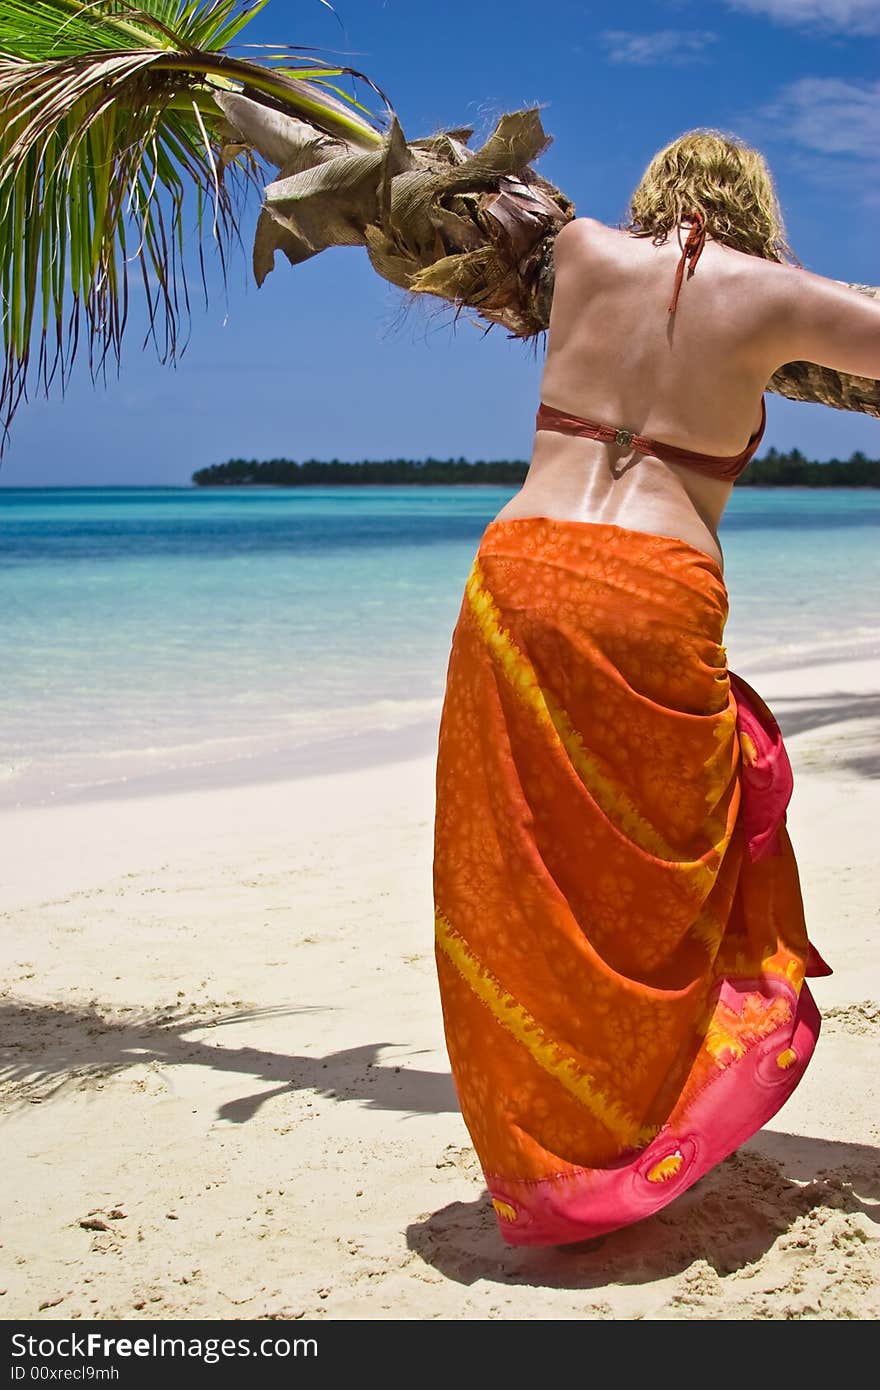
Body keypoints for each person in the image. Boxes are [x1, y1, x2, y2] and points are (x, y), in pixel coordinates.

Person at [431, 128, 880, 1248]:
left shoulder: (571, 249)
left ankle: (541, 1163)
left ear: (648, 195)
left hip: (518, 570)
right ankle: (628, 1137)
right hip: (649, 588)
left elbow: (448, 205)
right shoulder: (780, 298)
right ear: (758, 207)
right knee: (658, 885)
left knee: (518, 879)